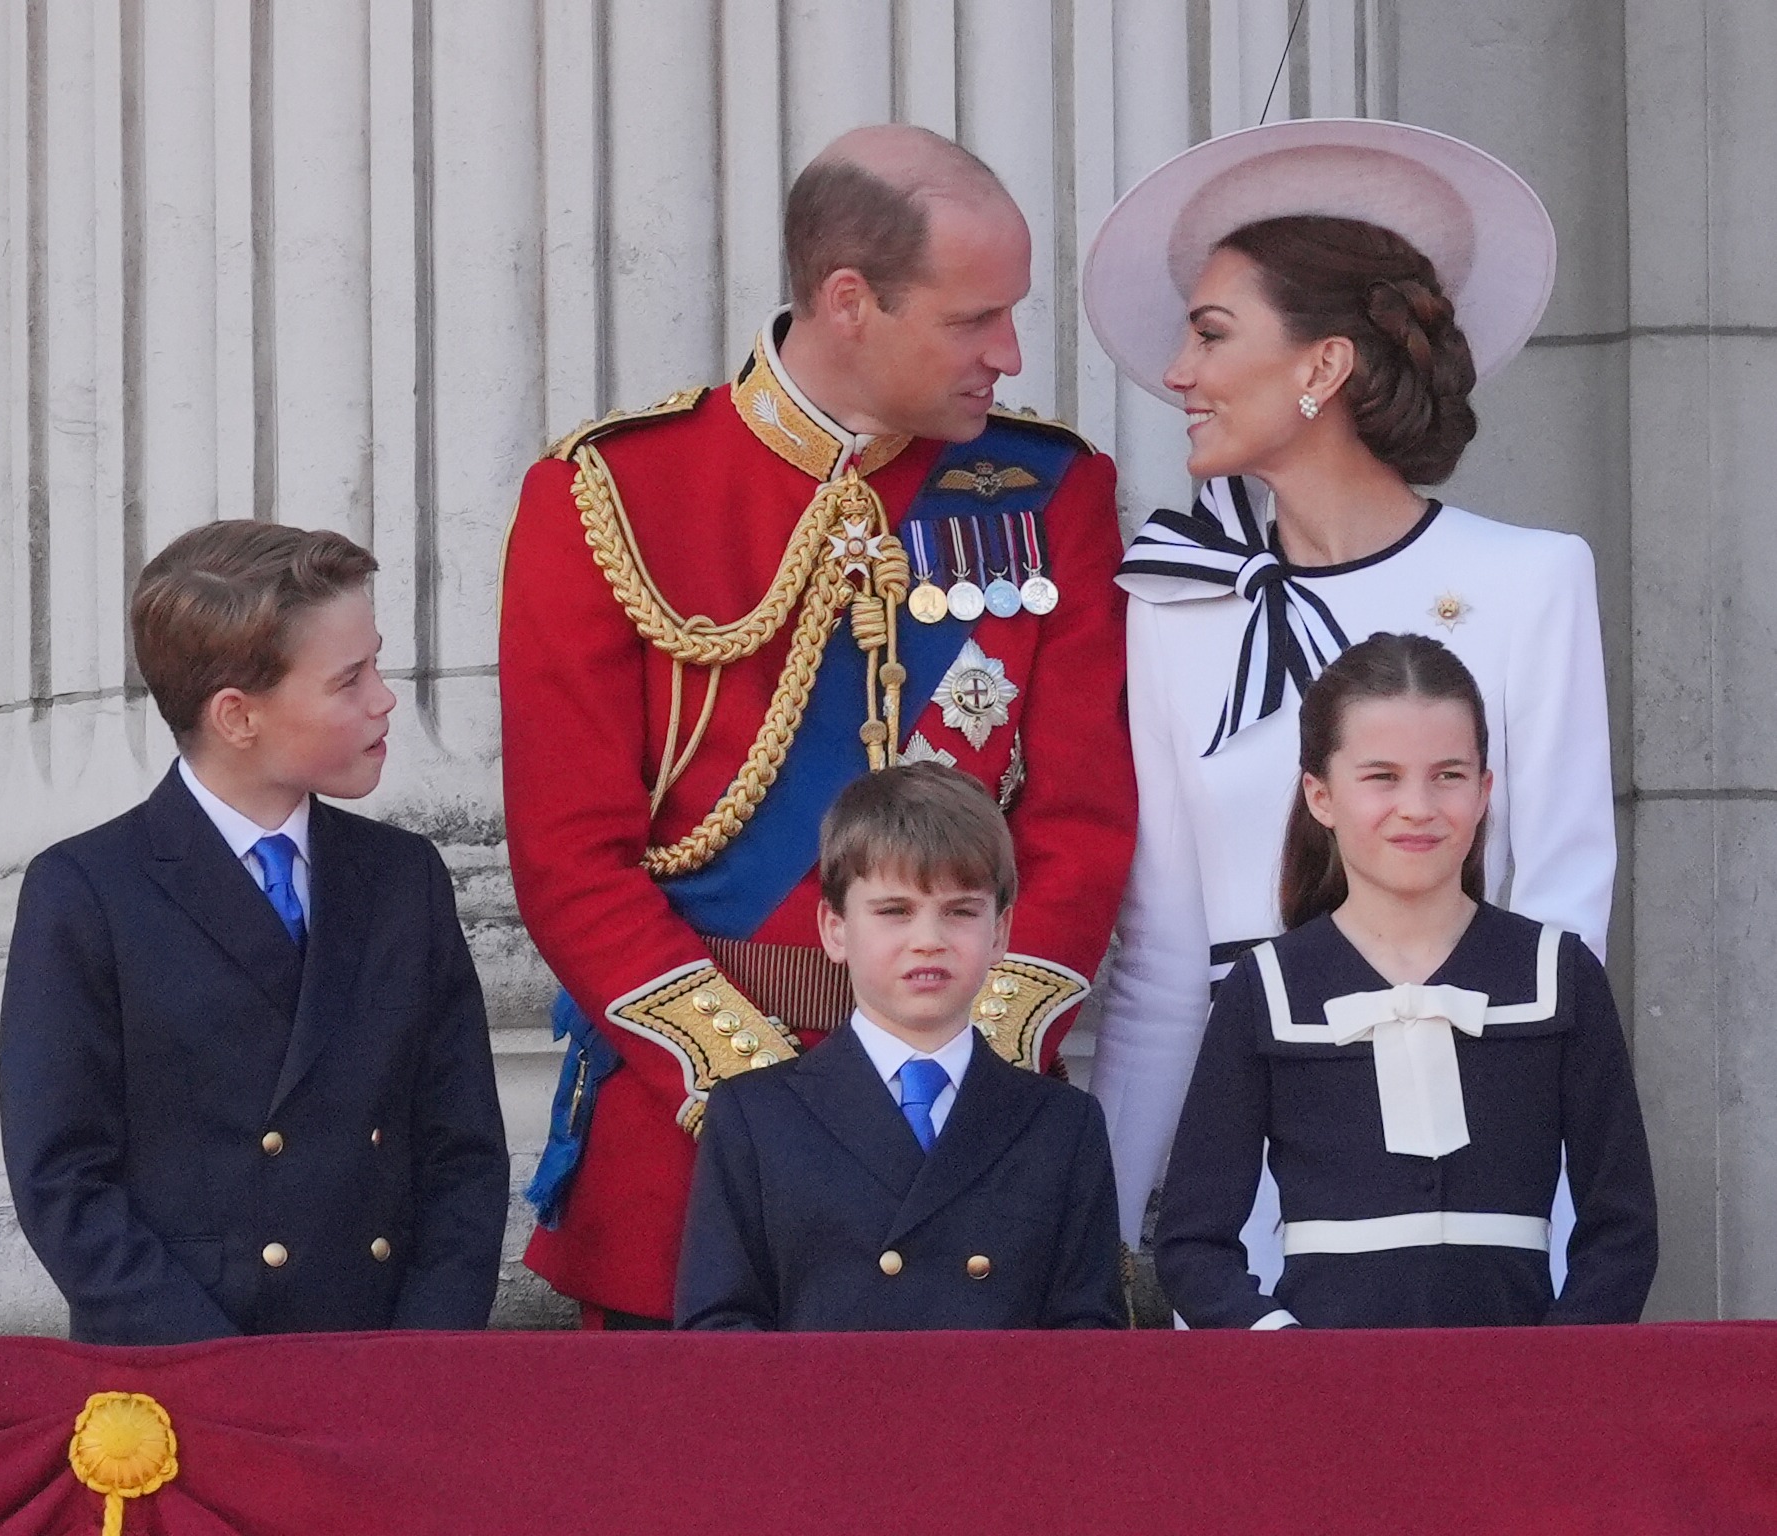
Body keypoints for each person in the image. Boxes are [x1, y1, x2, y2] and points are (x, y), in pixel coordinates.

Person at [500, 124, 1134, 1326]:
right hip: (697, 1151)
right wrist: (768, 1106)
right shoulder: (612, 493)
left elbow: (1083, 828)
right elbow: (568, 861)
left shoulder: (1053, 491)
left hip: (973, 1149)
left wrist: (964, 1068)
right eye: (972, 319)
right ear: (851, 301)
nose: (1008, 352)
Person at [1079, 119, 1616, 1281]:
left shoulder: (1532, 581)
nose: (1179, 372)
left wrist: (1559, 1222)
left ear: (1322, 367)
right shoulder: (1175, 604)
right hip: (1248, 1189)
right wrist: (1101, 1240)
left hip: (1472, 1172)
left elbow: (1565, 924)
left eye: (1212, 335)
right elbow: (1167, 961)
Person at [0, 522, 510, 1345]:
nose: (384, 697)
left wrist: (424, 1355)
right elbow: (63, 1181)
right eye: (349, 679)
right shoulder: (89, 890)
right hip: (183, 1381)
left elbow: (462, 1153)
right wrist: (215, 1372)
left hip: (383, 1369)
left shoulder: (402, 878)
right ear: (237, 715)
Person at [1155, 634, 1655, 1327]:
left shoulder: (1557, 974)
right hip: (1326, 1398)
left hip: (1521, 1399)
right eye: (1381, 777)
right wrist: (1281, 1349)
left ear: (1483, 791)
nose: (1417, 806)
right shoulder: (1264, 987)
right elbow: (1191, 1244)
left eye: (1447, 775)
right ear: (1320, 795)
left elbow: (1622, 1229)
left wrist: (1557, 1367)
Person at [674, 763, 1127, 1330]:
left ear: (1001, 933)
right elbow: (720, 1335)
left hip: (1001, 1418)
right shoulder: (756, 1117)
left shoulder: (1062, 1125)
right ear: (834, 929)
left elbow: (1087, 1343)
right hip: (820, 1416)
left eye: (960, 911)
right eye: (894, 912)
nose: (928, 941)